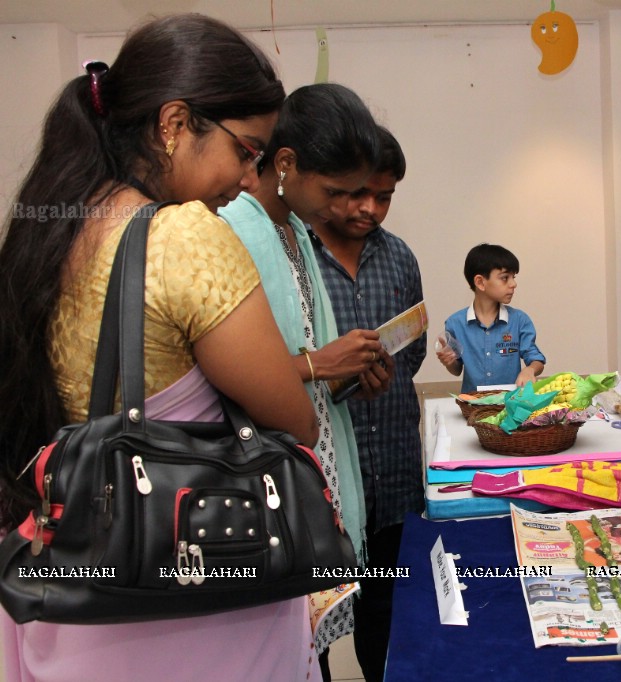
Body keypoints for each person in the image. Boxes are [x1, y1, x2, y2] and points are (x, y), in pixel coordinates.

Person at [0, 14, 324, 681]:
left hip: (78, 600)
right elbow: (294, 424)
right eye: (246, 149)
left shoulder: (51, 227)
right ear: (175, 123)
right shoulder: (184, 236)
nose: (248, 177)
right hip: (193, 606)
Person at [218, 83, 390, 680]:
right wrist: (321, 365)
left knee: (310, 645)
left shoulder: (295, 231)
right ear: (285, 163)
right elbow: (215, 375)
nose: (349, 208)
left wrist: (349, 376)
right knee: (278, 646)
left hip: (316, 466)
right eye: (338, 191)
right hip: (264, 481)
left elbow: (305, 353)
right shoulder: (229, 228)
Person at [308, 125, 427, 682]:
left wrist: (385, 374)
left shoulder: (399, 256)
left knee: (389, 611)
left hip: (395, 469)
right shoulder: (297, 260)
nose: (371, 208)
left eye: (384, 197)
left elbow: (415, 344)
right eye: (358, 193)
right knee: (318, 618)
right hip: (326, 479)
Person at [437, 243, 545, 392]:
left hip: (511, 406)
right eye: (505, 278)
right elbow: (457, 370)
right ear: (480, 282)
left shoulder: (519, 320)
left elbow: (536, 359)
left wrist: (530, 370)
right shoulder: (455, 323)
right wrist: (449, 362)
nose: (513, 284)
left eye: (513, 277)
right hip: (473, 408)